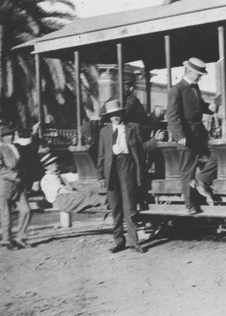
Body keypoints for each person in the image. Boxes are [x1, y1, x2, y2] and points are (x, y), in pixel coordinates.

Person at [166, 57, 217, 214]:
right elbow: (172, 116)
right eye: (198, 74)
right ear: (189, 71)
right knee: (188, 170)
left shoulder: (195, 88)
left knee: (219, 153)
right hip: (185, 135)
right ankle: (189, 205)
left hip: (200, 133)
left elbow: (200, 106)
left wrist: (211, 107)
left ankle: (201, 180)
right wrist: (180, 137)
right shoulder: (177, 90)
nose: (200, 76)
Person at [97, 100, 146, 254]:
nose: (115, 117)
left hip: (127, 166)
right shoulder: (104, 132)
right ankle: (118, 241)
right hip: (110, 169)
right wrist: (100, 174)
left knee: (129, 206)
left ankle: (133, 242)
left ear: (121, 114)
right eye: (112, 115)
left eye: (117, 114)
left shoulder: (132, 128)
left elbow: (142, 150)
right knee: (115, 207)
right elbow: (101, 154)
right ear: (109, 117)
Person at [0, 124, 32, 250]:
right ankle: (7, 240)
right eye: (8, 135)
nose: (11, 136)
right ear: (2, 137)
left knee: (26, 210)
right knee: (6, 214)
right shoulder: (1, 149)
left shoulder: (16, 147)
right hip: (5, 186)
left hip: (19, 185)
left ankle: (21, 237)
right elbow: (0, 168)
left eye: (12, 134)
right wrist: (14, 176)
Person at [40, 154, 107, 213]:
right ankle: (108, 200)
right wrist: (77, 192)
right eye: (51, 163)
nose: (54, 164)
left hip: (68, 196)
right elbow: (62, 191)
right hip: (61, 200)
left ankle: (107, 189)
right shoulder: (47, 179)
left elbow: (79, 178)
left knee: (84, 187)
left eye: (55, 161)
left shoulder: (61, 175)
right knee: (85, 196)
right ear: (46, 167)